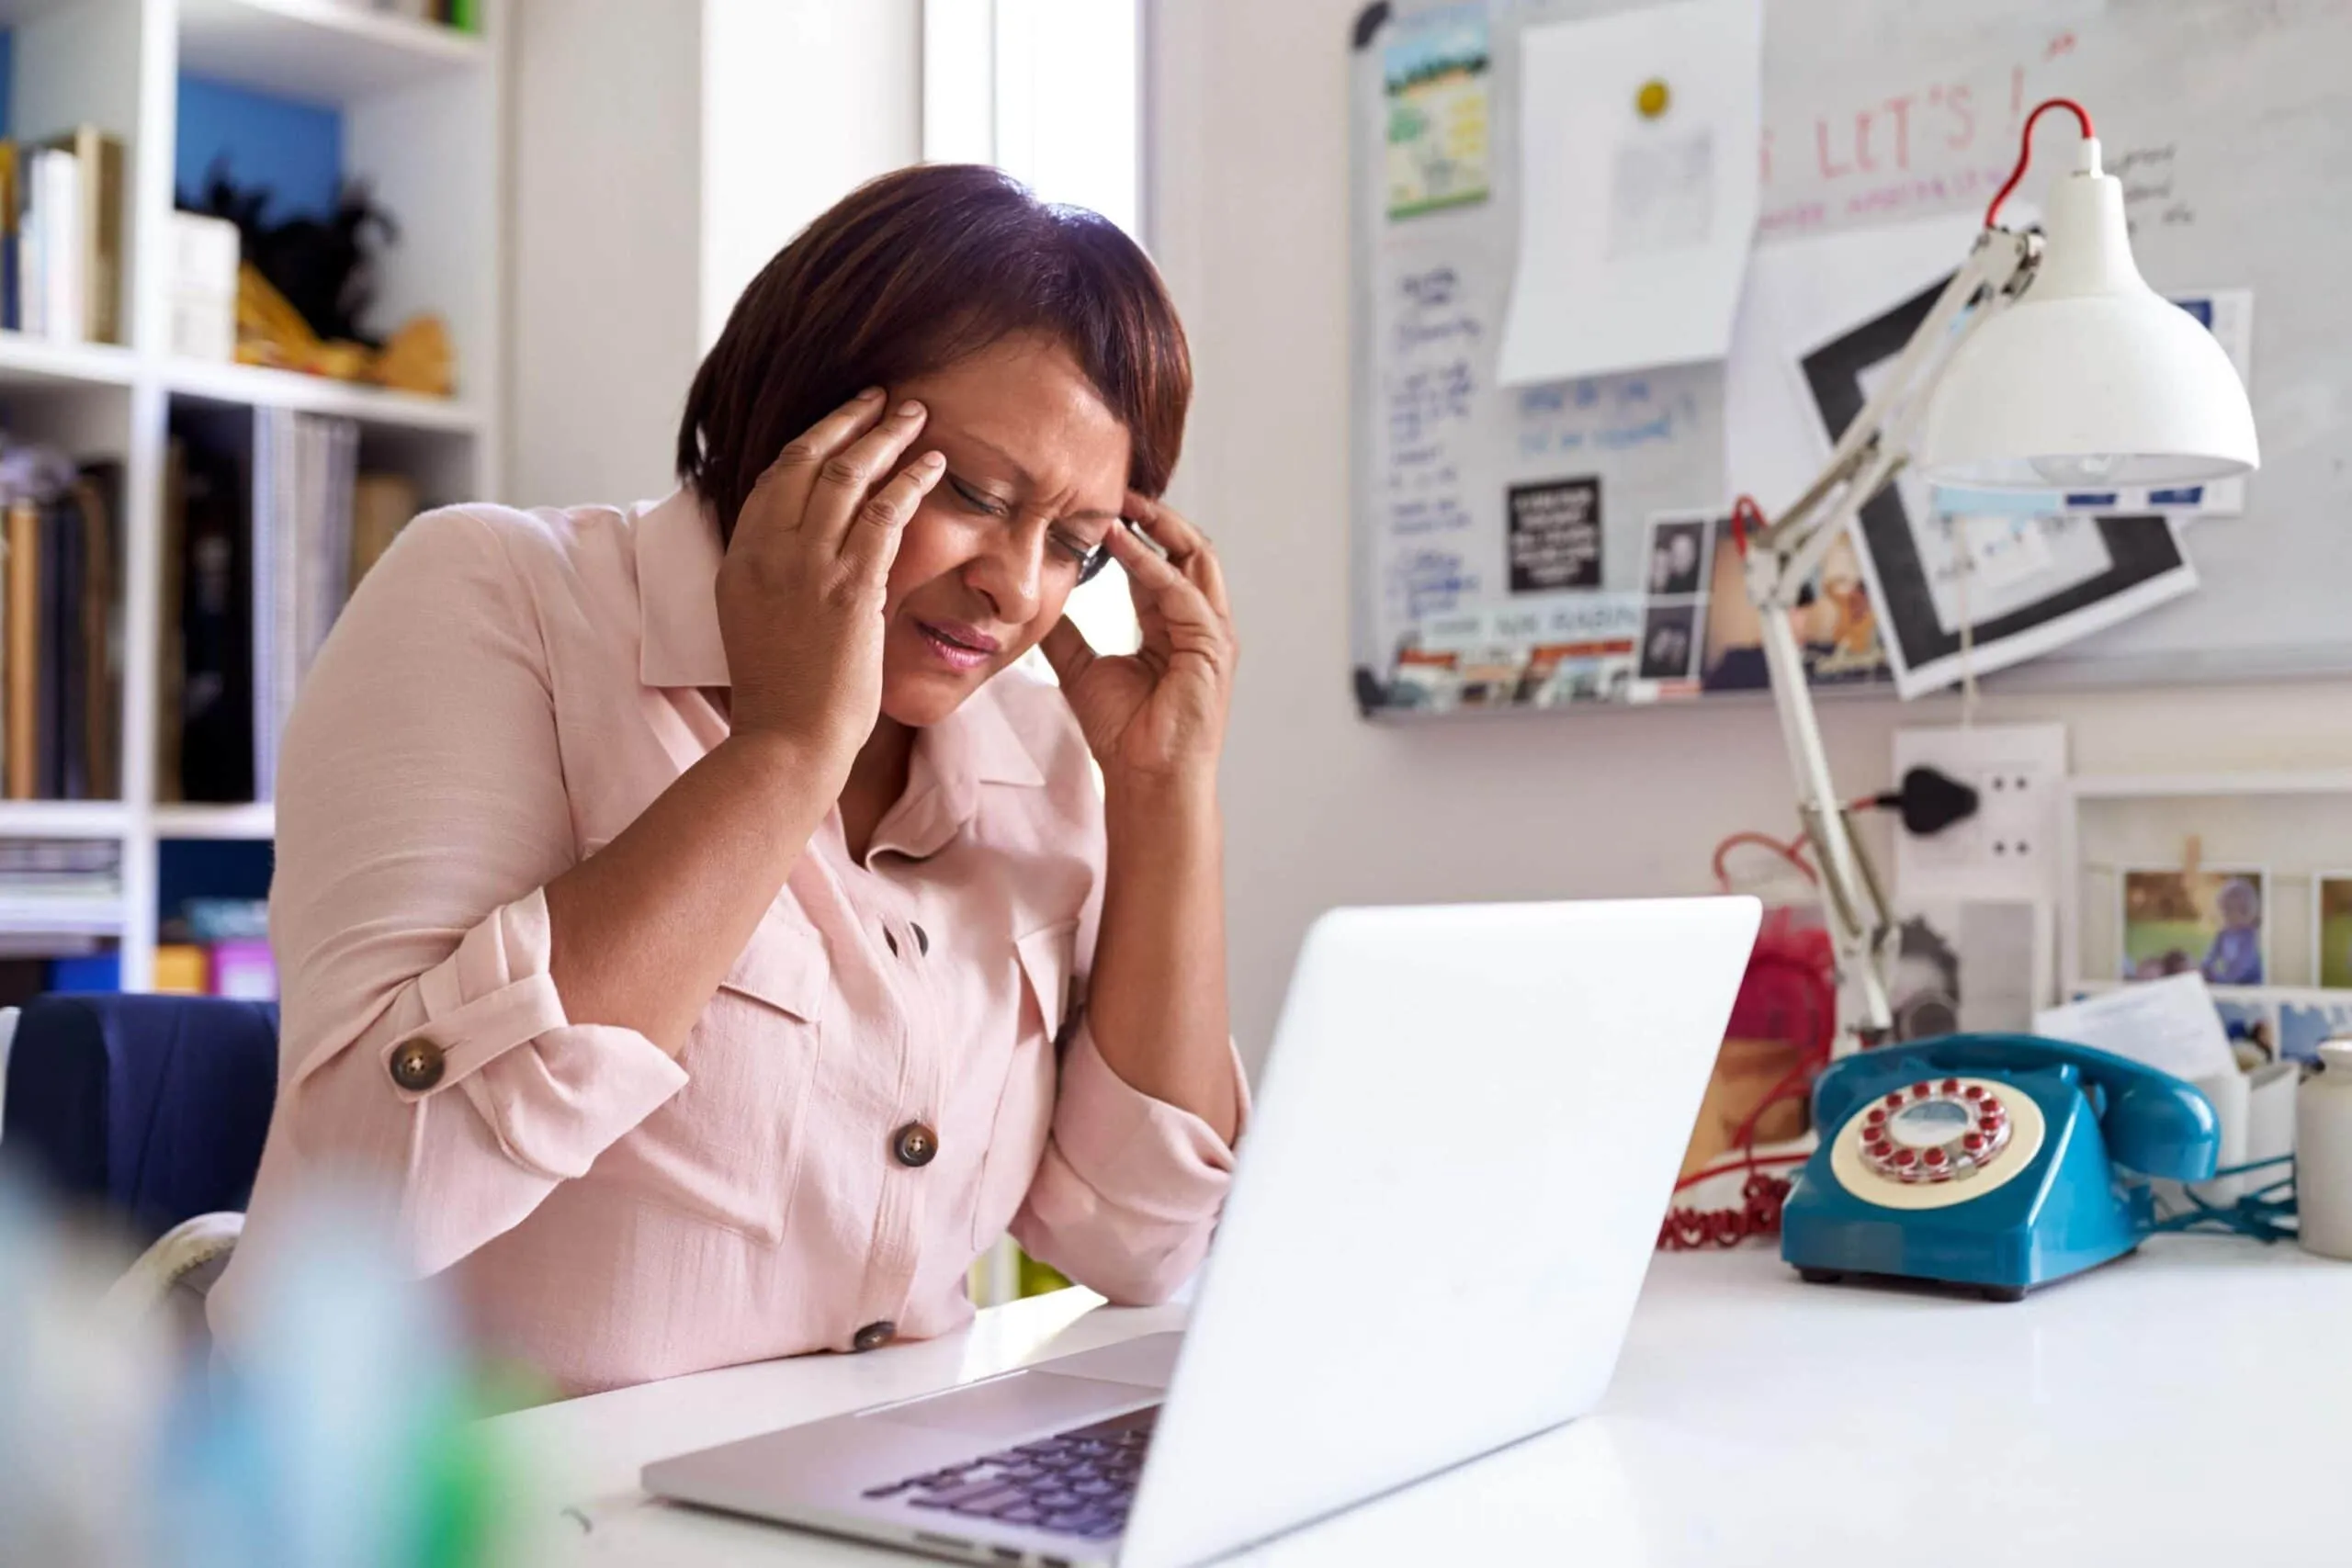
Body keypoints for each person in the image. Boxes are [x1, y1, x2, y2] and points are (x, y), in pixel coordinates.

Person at [209, 166, 1249, 1396]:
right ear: (810, 415)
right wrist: (786, 753)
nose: (1018, 588)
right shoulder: (502, 601)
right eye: (974, 494)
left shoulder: (1033, 746)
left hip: (859, 1495)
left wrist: (1162, 794)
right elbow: (358, 1213)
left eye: (1075, 545)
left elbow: (1140, 1243)